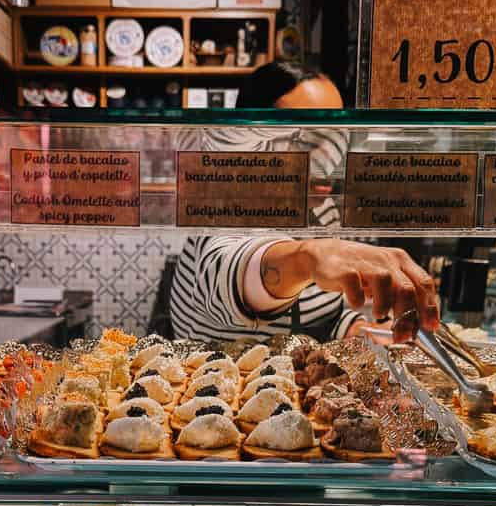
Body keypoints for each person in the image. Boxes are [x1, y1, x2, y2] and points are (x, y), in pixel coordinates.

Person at [169, 62, 440, 344]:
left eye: (338, 130)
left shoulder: (321, 209)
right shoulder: (227, 200)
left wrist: (356, 329)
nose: (327, 153)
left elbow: (326, 311)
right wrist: (307, 258)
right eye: (306, 135)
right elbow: (228, 273)